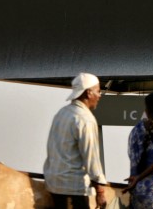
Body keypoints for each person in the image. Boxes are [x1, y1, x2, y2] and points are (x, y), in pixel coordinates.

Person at [43, 73, 108, 209]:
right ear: (89, 93)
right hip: (73, 187)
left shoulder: (62, 113)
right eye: (98, 91)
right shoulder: (85, 119)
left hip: (54, 184)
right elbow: (91, 158)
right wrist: (100, 190)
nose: (100, 95)